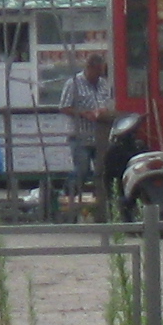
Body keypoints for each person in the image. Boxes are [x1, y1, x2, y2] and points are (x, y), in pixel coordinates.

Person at [61, 52, 114, 210]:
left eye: (101, 72)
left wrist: (103, 111)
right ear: (89, 68)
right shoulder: (73, 83)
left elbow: (107, 102)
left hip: (100, 135)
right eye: (97, 72)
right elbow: (64, 107)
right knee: (82, 170)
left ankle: (101, 205)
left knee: (102, 171)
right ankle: (68, 195)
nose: (99, 76)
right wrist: (83, 113)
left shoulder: (103, 84)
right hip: (80, 135)